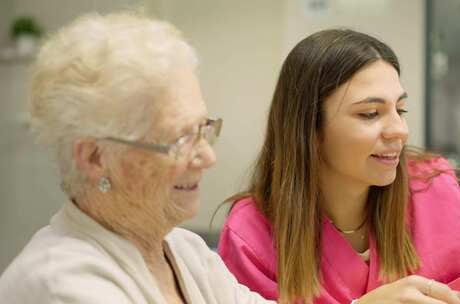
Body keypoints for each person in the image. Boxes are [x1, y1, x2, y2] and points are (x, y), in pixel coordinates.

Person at [217, 29, 460, 304]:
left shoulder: (430, 187)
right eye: (370, 114)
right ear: (309, 130)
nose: (399, 129)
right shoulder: (252, 236)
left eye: (400, 109)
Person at [0, 12, 275, 304]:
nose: (208, 157)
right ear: (95, 158)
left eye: (202, 129)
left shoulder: (184, 250)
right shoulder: (61, 287)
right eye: (180, 139)